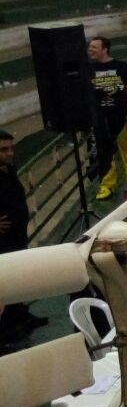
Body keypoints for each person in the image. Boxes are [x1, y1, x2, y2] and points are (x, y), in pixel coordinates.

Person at [87, 36, 127, 201]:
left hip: (119, 116)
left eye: (94, 47)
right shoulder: (88, 68)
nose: (90, 49)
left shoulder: (122, 66)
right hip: (99, 119)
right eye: (90, 47)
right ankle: (107, 185)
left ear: (105, 49)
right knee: (104, 153)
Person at [0, 128, 42, 347]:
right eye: (3, 150)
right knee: (6, 283)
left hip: (17, 234)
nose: (10, 153)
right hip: (2, 240)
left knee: (18, 277)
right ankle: (7, 329)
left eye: (10, 148)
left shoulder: (9, 168)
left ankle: (21, 316)